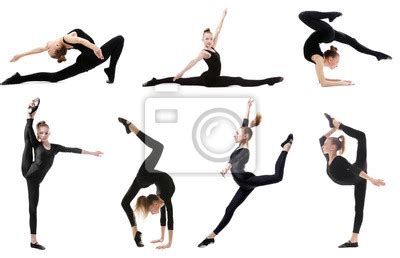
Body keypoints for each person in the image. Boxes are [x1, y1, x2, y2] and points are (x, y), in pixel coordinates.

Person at [197, 98, 293, 247]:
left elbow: (236, 160)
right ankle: (211, 237)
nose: (234, 135)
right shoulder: (242, 141)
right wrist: (248, 107)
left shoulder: (244, 151)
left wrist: (227, 167)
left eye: (237, 133)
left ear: (245, 137)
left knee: (278, 177)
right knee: (229, 209)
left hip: (248, 181)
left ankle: (286, 147)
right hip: (244, 184)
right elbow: (245, 125)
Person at [21, 98, 103, 250]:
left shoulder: (56, 148)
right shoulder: (36, 144)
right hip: (28, 172)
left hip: (36, 181)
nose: (44, 135)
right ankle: (29, 115)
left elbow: (73, 149)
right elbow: (31, 137)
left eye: (46, 132)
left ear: (49, 133)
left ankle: (33, 242)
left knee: (33, 209)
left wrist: (92, 153)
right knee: (28, 141)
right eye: (41, 133)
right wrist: (31, 121)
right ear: (39, 135)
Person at [143, 9, 283, 87]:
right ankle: (269, 81)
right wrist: (181, 71)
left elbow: (218, 30)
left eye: (210, 39)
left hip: (210, 77)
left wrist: (223, 16)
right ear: (202, 40)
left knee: (181, 82)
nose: (209, 41)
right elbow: (194, 61)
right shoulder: (204, 52)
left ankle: (156, 80)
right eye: (207, 39)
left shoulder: (213, 47)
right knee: (238, 80)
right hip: (210, 80)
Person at [320, 113, 385, 247]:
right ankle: (354, 241)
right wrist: (332, 128)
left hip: (359, 174)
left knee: (362, 136)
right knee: (358, 209)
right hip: (355, 177)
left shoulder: (339, 160)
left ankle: (340, 124)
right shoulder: (329, 157)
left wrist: (371, 179)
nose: (323, 146)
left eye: (326, 144)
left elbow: (354, 170)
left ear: (333, 147)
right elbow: (322, 139)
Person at [118, 118, 175, 249]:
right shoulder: (164, 197)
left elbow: (165, 217)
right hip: (145, 176)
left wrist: (164, 239)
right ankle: (130, 126)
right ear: (155, 203)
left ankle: (135, 232)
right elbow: (169, 218)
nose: (152, 212)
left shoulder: (161, 197)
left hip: (145, 177)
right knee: (159, 147)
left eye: (150, 210)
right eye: (151, 210)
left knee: (124, 202)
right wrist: (167, 242)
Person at [299, 11, 391, 87]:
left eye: (337, 62)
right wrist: (341, 81)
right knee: (352, 42)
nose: (337, 65)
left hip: (326, 33)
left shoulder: (319, 60)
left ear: (330, 59)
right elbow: (322, 80)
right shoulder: (320, 61)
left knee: (303, 15)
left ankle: (329, 15)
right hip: (327, 35)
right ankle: (377, 54)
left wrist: (342, 83)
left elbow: (323, 83)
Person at [2, 29, 124, 85]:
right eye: (49, 50)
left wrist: (20, 55)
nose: (46, 48)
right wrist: (95, 48)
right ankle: (111, 69)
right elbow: (81, 40)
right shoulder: (63, 40)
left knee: (54, 77)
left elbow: (80, 40)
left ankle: (18, 79)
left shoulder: (63, 41)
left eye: (48, 49)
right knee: (120, 39)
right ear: (57, 46)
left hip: (90, 58)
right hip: (91, 58)